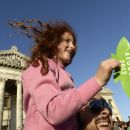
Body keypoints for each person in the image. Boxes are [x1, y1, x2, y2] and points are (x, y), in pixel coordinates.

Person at [9, 19, 120, 130]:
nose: (72, 46)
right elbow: (53, 110)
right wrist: (97, 80)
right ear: (52, 43)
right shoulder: (40, 66)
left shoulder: (66, 75)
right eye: (67, 41)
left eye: (74, 44)